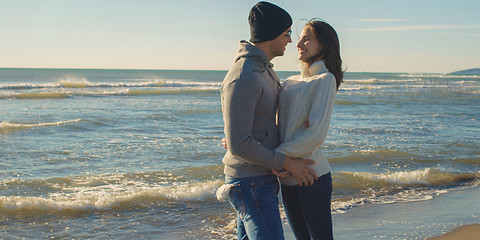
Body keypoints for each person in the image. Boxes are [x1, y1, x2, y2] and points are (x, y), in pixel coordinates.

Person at [218, 2, 318, 240]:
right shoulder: (245, 76)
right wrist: (287, 163)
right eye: (287, 33)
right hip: (249, 181)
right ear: (272, 33)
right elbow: (239, 143)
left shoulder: (264, 70)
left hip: (259, 176)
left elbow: (254, 127)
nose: (290, 41)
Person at [274, 19, 344, 240]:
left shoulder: (325, 80)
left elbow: (315, 134)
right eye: (299, 38)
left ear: (323, 45)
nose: (299, 43)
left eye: (307, 38)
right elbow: (275, 124)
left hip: (312, 177)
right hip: (287, 178)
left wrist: (277, 158)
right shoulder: (288, 82)